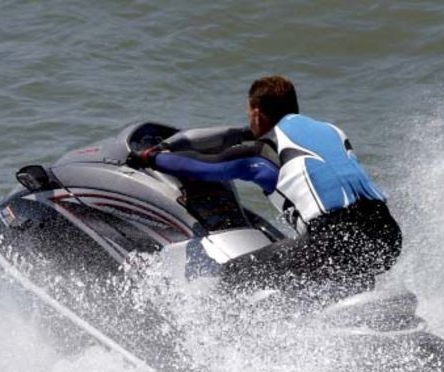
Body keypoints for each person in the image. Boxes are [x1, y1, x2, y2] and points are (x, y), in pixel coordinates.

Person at [129, 75, 401, 299]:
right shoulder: (330, 131)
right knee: (333, 272)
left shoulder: (263, 153)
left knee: (236, 274)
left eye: (250, 115)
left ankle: (238, 347)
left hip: (334, 241)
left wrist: (151, 157)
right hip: (386, 236)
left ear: (257, 113)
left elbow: (205, 168)